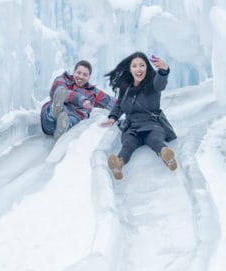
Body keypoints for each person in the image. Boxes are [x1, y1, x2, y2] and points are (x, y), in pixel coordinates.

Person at [101, 52, 177, 180]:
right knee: (128, 144)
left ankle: (166, 156)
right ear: (130, 69)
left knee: (155, 139)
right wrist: (113, 117)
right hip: (132, 127)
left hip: (152, 124)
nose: (138, 69)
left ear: (147, 67)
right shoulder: (126, 88)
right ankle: (118, 164)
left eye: (142, 65)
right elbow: (119, 105)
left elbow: (161, 83)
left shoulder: (153, 84)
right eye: (134, 66)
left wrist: (164, 71)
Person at [41, 60, 115, 141]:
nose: (81, 77)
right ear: (74, 72)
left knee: (73, 119)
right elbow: (59, 91)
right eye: (78, 73)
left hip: (73, 117)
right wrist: (81, 100)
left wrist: (128, 104)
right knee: (58, 99)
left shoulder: (93, 92)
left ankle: (63, 128)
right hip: (48, 121)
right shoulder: (62, 79)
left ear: (89, 77)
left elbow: (111, 102)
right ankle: (54, 113)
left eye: (85, 75)